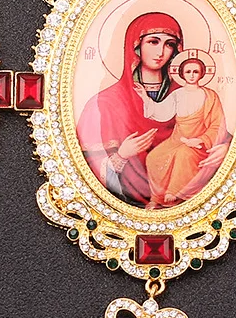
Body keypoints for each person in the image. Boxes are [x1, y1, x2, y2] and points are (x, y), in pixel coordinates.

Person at [76, 12, 183, 207]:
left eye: (169, 44)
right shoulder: (105, 103)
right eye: (153, 42)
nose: (161, 52)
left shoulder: (189, 98)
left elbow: (213, 136)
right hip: (123, 203)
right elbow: (84, 168)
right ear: (136, 46)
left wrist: (220, 149)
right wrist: (121, 156)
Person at [141, 57, 230, 208]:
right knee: (153, 157)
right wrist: (145, 97)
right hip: (177, 139)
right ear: (182, 74)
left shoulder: (210, 96)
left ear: (201, 74)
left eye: (196, 71)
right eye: (188, 72)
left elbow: (218, 124)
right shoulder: (178, 94)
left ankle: (175, 193)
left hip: (199, 144)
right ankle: (157, 198)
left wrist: (201, 139)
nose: (192, 75)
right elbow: (162, 111)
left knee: (184, 154)